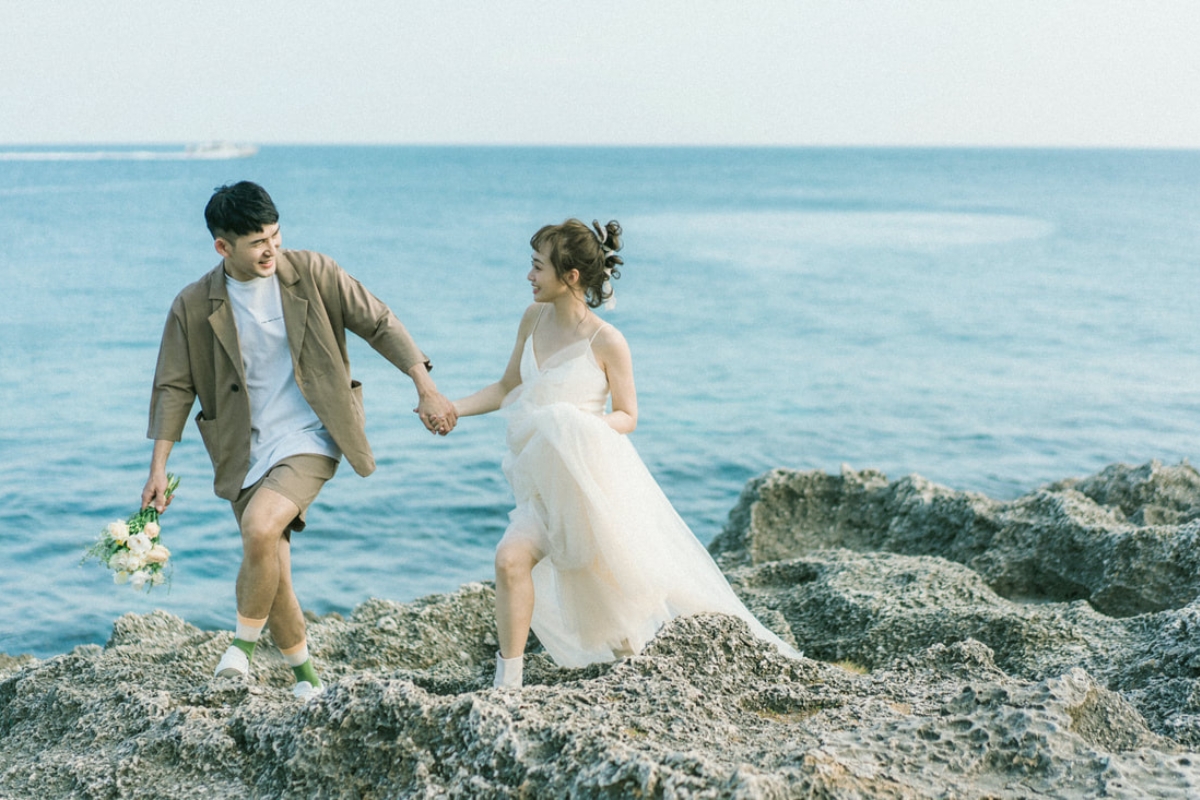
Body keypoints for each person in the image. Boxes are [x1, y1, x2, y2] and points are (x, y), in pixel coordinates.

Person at [141, 181, 457, 700]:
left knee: (261, 527)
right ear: (223, 247)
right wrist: (158, 468)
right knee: (273, 560)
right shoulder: (194, 304)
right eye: (256, 242)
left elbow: (379, 322)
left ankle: (240, 649)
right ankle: (305, 680)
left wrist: (425, 385)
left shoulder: (312, 271)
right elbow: (174, 386)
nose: (271, 249)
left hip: (311, 433)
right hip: (241, 448)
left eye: (275, 235)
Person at [452, 218, 800, 688]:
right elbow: (507, 386)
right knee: (510, 560)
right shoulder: (531, 319)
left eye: (537, 268)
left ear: (570, 277)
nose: (529, 276)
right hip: (541, 486)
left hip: (590, 485)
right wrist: (452, 410)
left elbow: (628, 415)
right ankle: (507, 684)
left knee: (617, 593)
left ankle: (639, 673)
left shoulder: (607, 341)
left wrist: (580, 427)